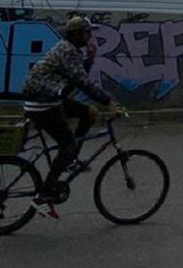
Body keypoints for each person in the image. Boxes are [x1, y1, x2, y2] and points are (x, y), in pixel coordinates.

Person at [22, 16, 121, 218]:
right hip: (43, 104)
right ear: (76, 34)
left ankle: (70, 160)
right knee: (68, 144)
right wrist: (108, 101)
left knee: (89, 112)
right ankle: (43, 196)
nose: (90, 36)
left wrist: (90, 61)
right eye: (87, 32)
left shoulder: (67, 49)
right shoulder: (68, 51)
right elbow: (82, 82)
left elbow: (73, 77)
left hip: (48, 99)